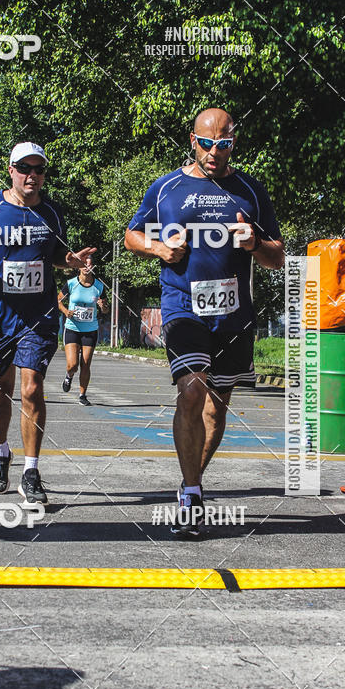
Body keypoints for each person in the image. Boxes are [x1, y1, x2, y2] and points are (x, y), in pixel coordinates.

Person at [124, 108, 284, 538]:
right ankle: (193, 495)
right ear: (192, 140)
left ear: (235, 143)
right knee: (192, 391)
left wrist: (254, 244)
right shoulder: (166, 188)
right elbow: (131, 235)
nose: (215, 152)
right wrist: (159, 249)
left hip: (233, 313)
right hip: (183, 306)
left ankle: (187, 480)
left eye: (224, 144)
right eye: (207, 143)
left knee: (217, 408)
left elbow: (277, 257)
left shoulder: (251, 190)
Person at [0, 141, 95, 506]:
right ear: (11, 169)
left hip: (40, 315)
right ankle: (1, 453)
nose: (32, 176)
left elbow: (57, 256)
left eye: (39, 170)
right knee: (0, 389)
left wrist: (72, 260)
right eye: (25, 168)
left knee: (31, 388)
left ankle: (31, 471)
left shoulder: (52, 213)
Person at [58, 255, 109, 405]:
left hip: (90, 329)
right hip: (72, 328)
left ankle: (82, 395)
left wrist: (103, 306)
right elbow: (58, 301)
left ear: (93, 267)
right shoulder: (71, 284)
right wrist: (66, 311)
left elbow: (105, 310)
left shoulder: (99, 286)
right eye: (84, 264)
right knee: (72, 365)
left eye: (89, 264)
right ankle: (69, 375)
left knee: (85, 364)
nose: (87, 267)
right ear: (78, 266)